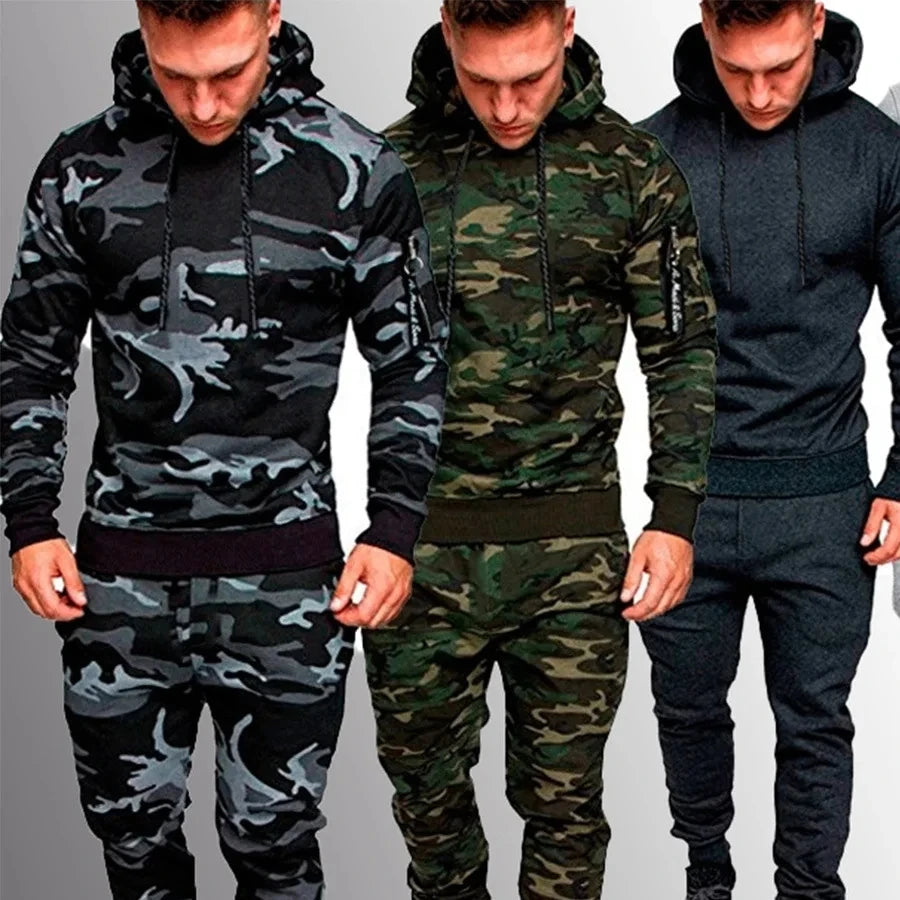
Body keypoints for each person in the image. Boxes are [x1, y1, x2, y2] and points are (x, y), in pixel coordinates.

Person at [0, 0, 448, 897]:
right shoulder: (81, 167)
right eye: (177, 76)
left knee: (275, 851)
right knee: (132, 847)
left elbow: (413, 361)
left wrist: (393, 527)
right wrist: (29, 521)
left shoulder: (354, 167)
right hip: (119, 585)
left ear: (272, 13)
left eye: (229, 73)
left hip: (289, 585)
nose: (203, 105)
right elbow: (29, 357)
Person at [362, 2, 718, 897]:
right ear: (447, 32)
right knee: (428, 812)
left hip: (573, 558)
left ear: (567, 26)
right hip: (420, 553)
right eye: (483, 81)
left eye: (529, 79)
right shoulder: (385, 169)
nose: (507, 106)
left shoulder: (633, 169)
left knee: (565, 811)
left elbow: (680, 350)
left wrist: (674, 514)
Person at [638, 3, 900, 898]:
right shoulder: (651, 151)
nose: (758, 94)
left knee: (816, 724)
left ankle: (809, 891)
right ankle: (706, 877)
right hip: (689, 504)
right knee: (686, 711)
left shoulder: (876, 151)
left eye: (781, 68)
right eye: (737, 68)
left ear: (815, 19)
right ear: (705, 23)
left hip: (826, 506)